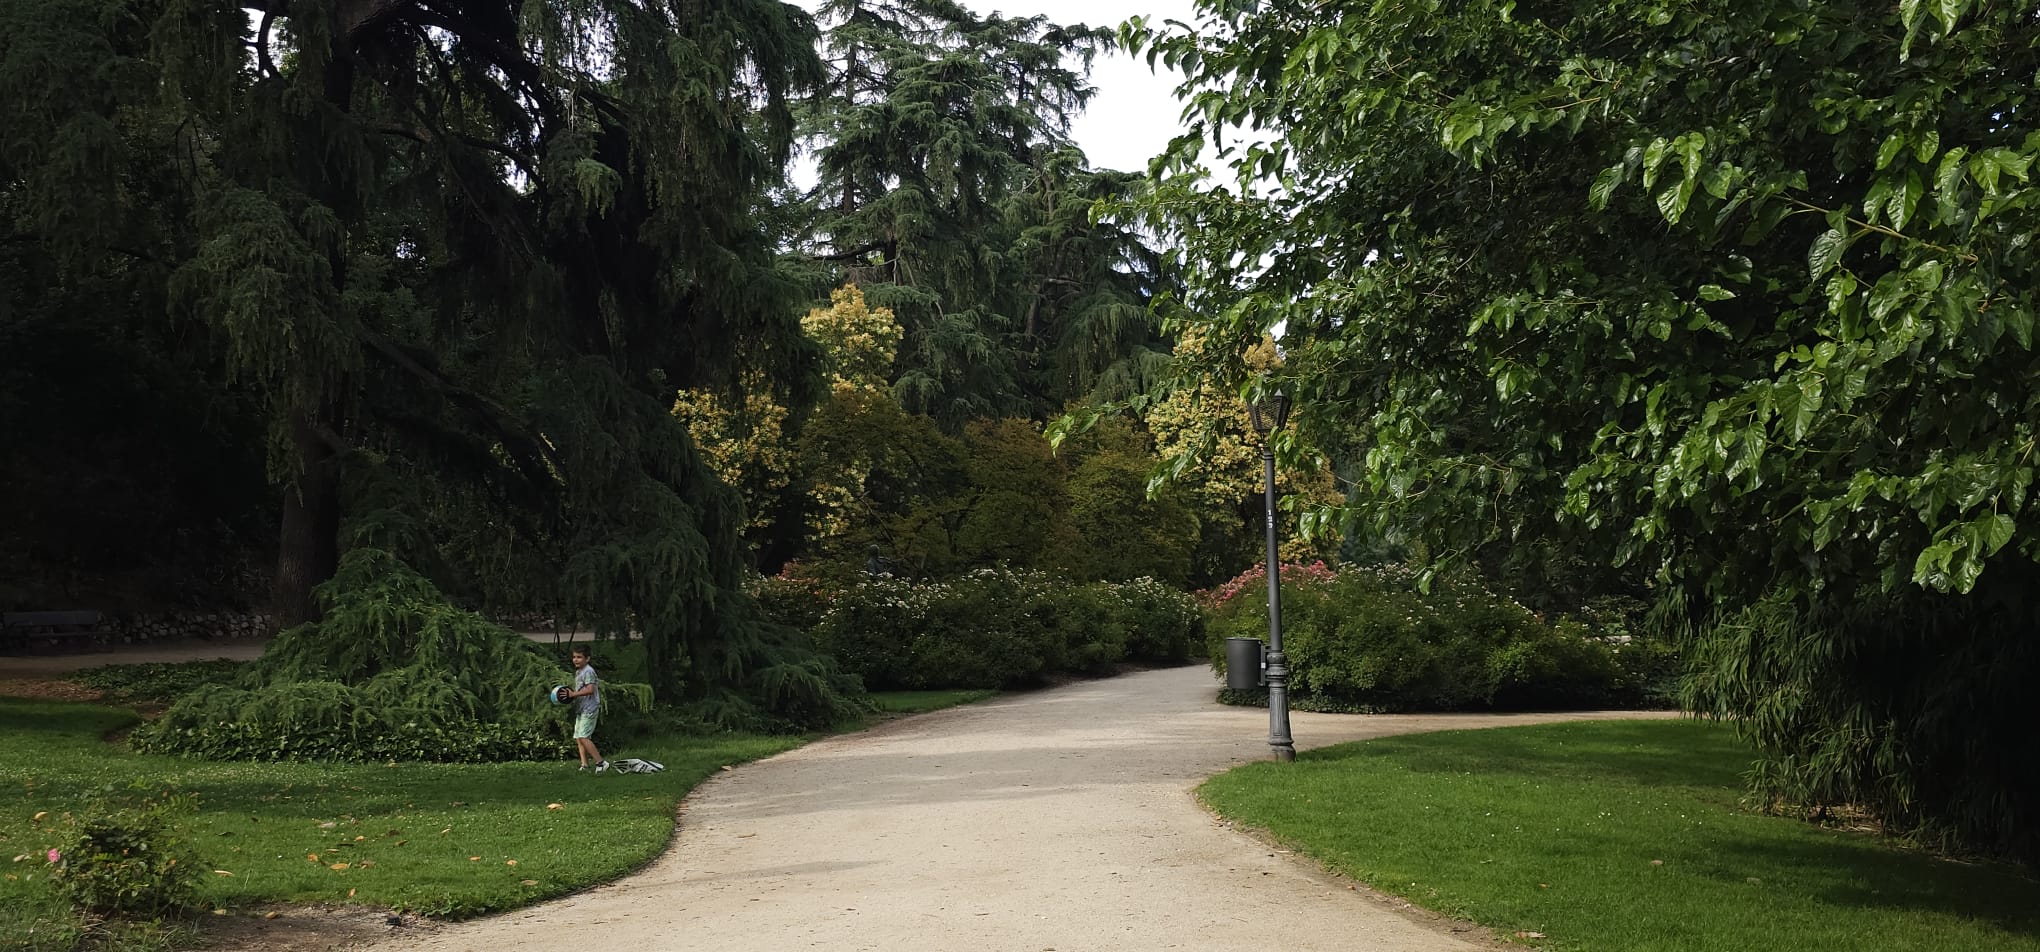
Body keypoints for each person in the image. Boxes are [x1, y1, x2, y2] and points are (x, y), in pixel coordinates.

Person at [565, 646, 608, 773]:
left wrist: (573, 695)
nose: (576, 660)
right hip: (581, 708)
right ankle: (584, 765)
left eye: (579, 657)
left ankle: (601, 763)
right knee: (578, 737)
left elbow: (590, 690)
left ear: (587, 658)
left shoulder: (588, 671)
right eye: (574, 657)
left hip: (589, 709)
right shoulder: (579, 671)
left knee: (584, 736)